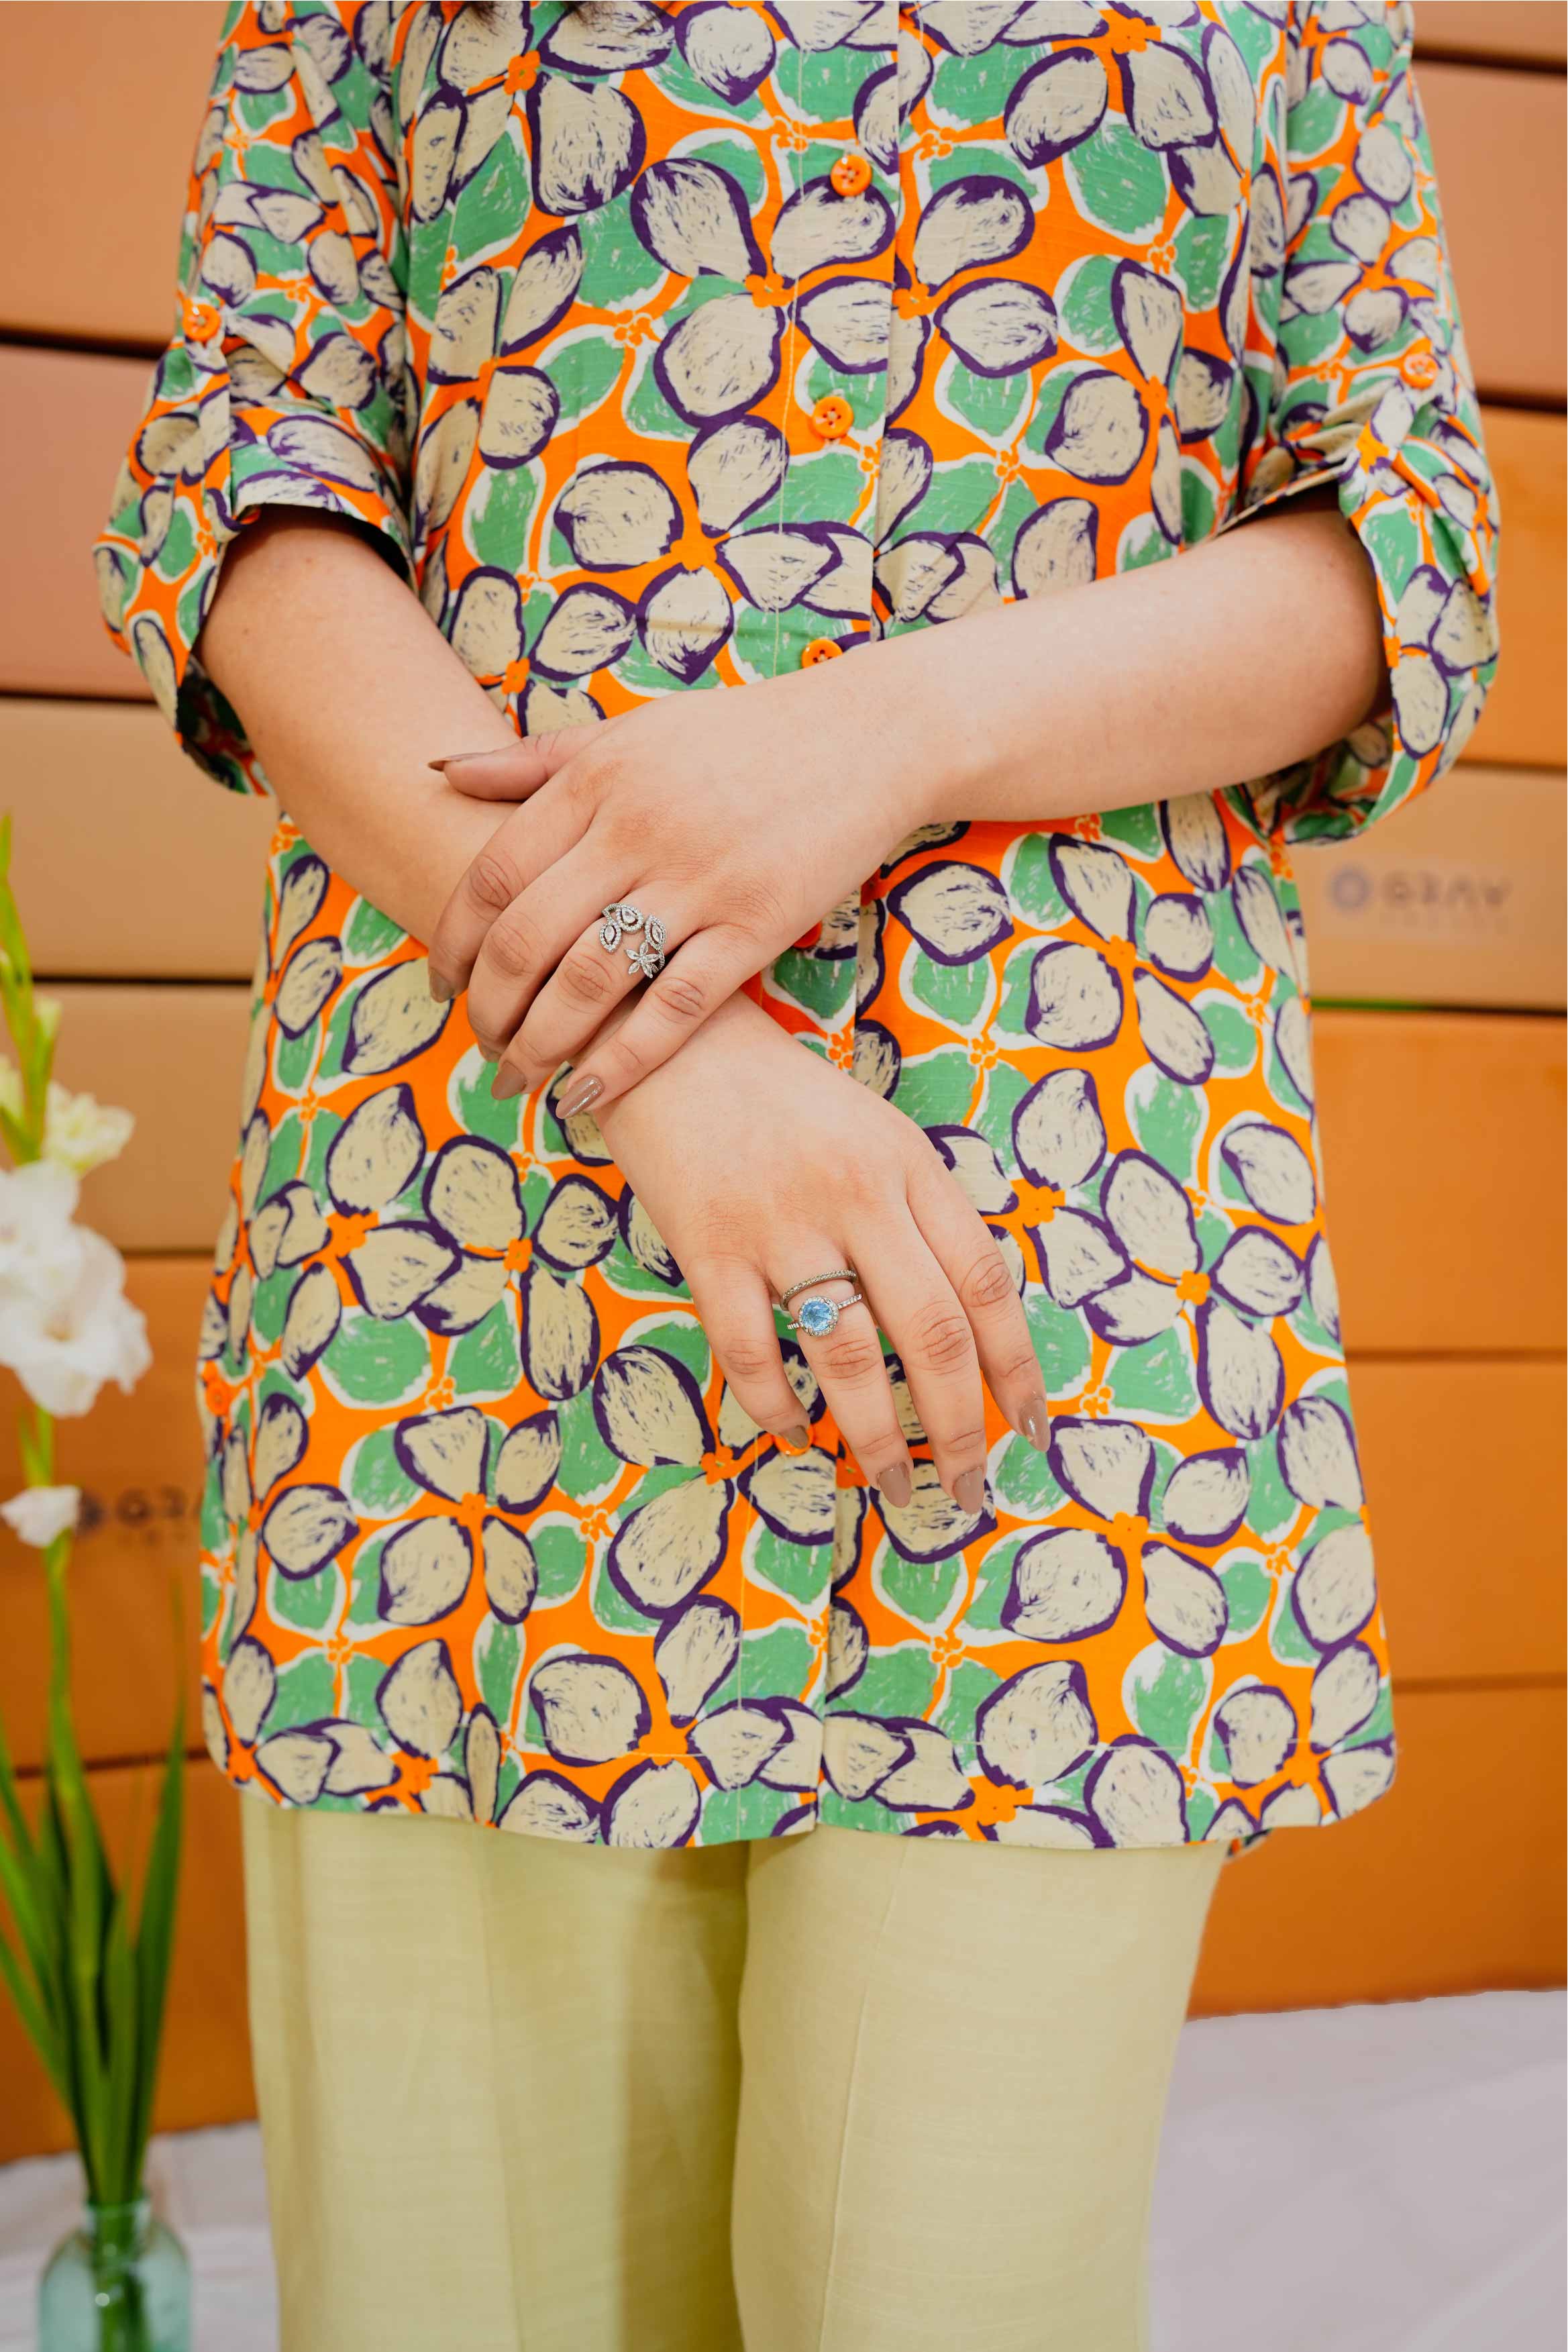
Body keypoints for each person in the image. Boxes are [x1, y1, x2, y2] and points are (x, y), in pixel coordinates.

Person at [95, 4, 1497, 2347]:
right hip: (469, 1254)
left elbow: (1399, 547)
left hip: (1059, 1266)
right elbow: (243, 484)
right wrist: (662, 1051)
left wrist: (872, 738)